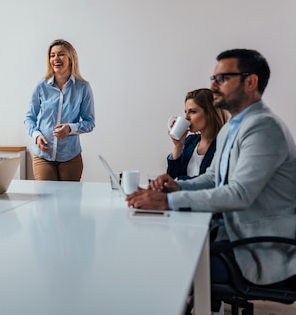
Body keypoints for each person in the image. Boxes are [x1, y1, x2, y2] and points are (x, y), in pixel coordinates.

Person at [127, 49, 296, 287]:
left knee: (162, 264)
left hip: (259, 251)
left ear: (250, 81)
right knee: (157, 251)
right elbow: (214, 177)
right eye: (213, 78)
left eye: (222, 78)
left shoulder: (264, 128)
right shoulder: (231, 128)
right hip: (231, 238)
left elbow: (239, 194)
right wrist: (177, 186)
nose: (214, 86)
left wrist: (170, 201)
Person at [24, 39, 95, 181]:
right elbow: (29, 118)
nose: (56, 58)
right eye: (52, 55)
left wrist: (70, 128)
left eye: (61, 54)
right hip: (43, 156)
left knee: (69, 202)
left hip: (71, 157)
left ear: (71, 58)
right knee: (45, 201)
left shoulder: (83, 87)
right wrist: (37, 135)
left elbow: (90, 122)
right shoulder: (40, 86)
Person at [166, 88, 227, 180]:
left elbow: (210, 182)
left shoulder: (223, 144)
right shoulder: (190, 141)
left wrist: (180, 182)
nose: (186, 117)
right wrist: (178, 146)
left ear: (210, 113)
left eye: (192, 111)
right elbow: (171, 178)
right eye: (185, 112)